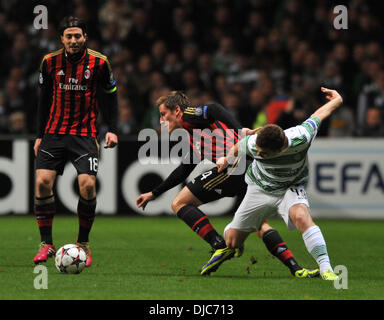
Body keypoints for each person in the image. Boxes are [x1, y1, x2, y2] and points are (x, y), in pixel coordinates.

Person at [136, 91, 319, 278]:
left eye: (163, 114)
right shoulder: (194, 136)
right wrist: (154, 193)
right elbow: (184, 170)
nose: (161, 120)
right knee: (257, 224)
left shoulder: (188, 116)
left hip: (235, 167)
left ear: (176, 111)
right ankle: (296, 268)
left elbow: (214, 108)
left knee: (179, 203)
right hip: (246, 170)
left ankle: (219, 246)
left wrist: (241, 132)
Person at [215, 87, 342, 280]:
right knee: (231, 241)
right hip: (260, 188)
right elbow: (238, 147)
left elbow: (319, 114)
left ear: (279, 149)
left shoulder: (301, 136)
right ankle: (243, 231)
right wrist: (225, 159)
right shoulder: (254, 143)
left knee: (301, 216)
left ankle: (326, 269)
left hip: (291, 186)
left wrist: (337, 100)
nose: (257, 154)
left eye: (263, 153)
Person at [33, 16, 118, 266]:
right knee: (42, 183)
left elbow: (110, 96)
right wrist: (39, 134)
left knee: (87, 186)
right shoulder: (49, 62)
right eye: (68, 36)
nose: (73, 40)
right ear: (61, 39)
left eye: (77, 36)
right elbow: (43, 101)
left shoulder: (100, 62)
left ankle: (83, 243)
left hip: (85, 133)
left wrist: (111, 129)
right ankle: (46, 244)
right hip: (54, 132)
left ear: (85, 37)